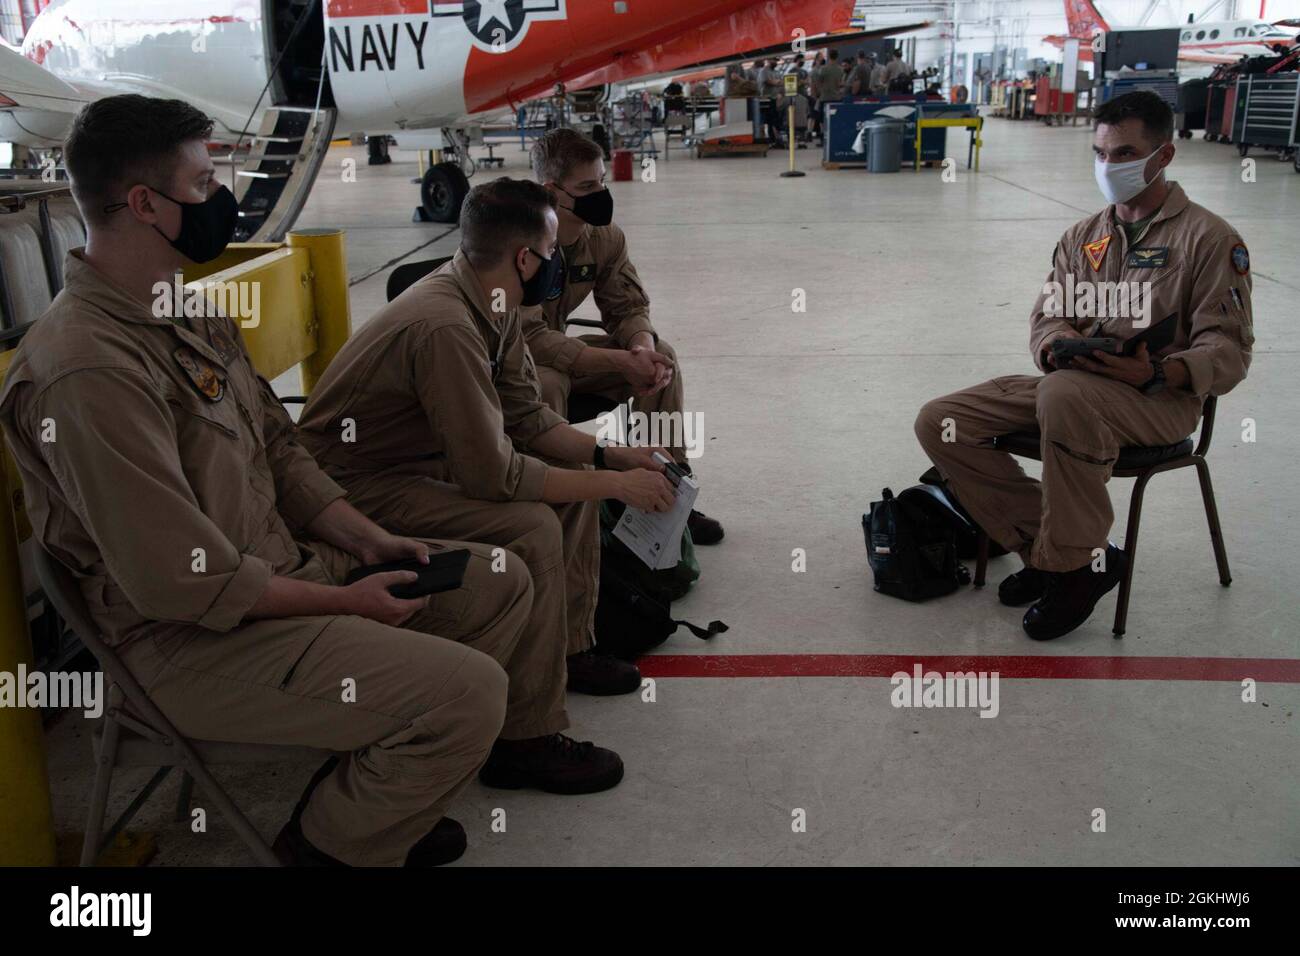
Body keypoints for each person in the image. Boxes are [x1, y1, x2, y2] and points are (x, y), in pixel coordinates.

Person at [0, 95, 596, 869]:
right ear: (143, 203)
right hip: (191, 643)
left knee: (497, 580)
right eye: (202, 181)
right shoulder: (88, 369)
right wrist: (347, 598)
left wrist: (367, 538)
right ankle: (325, 847)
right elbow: (185, 584)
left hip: (283, 572)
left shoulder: (183, 309)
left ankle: (369, 789)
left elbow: (280, 452)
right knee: (468, 692)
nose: (220, 198)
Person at [298, 178, 678, 699]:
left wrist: (606, 455)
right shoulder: (447, 326)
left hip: (411, 461)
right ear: (525, 258)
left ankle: (569, 651)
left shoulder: (490, 299)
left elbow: (529, 419)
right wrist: (617, 486)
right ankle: (527, 724)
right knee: (533, 525)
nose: (555, 263)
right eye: (549, 252)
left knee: (578, 488)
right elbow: (494, 475)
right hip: (352, 484)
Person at [914, 91, 1253, 641]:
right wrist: (1058, 346)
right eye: (1099, 153)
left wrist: (1159, 373)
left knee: (1063, 396)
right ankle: (1054, 555)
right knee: (944, 421)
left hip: (1159, 399)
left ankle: (1071, 570)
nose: (1107, 166)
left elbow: (1231, 351)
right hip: (1077, 386)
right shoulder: (1084, 236)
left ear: (1163, 156)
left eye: (1123, 154)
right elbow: (1049, 317)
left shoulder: (1209, 240)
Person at [523, 127, 726, 545]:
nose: (600, 193)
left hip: (560, 349)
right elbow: (529, 338)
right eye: (587, 186)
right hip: (512, 361)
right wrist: (619, 362)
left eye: (601, 182)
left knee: (662, 356)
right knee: (547, 382)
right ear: (552, 191)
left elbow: (627, 307)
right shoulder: (520, 239)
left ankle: (668, 491)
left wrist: (641, 349)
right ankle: (569, 512)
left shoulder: (604, 237)